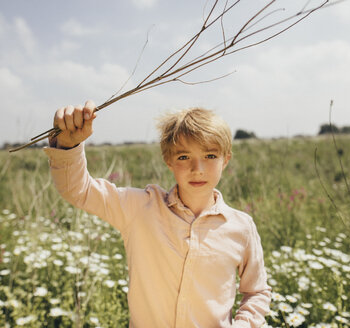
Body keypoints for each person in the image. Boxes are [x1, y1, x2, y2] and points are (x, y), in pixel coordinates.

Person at [44, 100, 271, 327]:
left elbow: (257, 291)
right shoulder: (139, 208)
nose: (197, 169)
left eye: (210, 156)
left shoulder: (241, 227)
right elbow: (78, 190)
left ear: (226, 160)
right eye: (183, 157)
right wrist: (68, 145)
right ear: (168, 160)